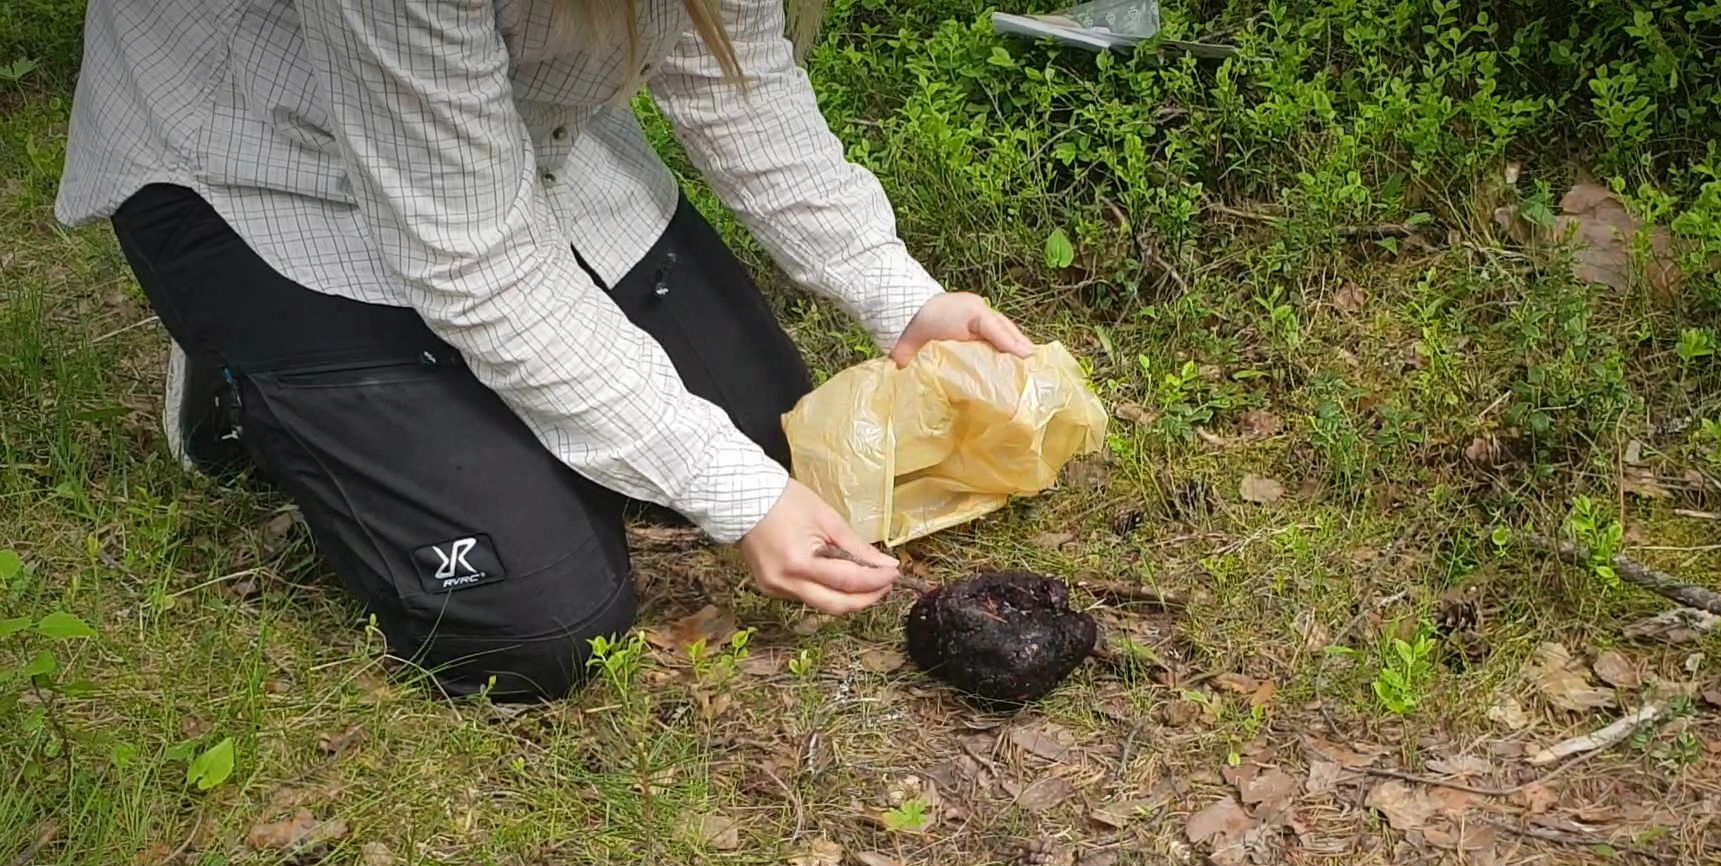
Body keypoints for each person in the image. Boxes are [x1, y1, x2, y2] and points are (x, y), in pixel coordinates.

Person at [54, 0, 1037, 702]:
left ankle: (459, 404)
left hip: (504, 143)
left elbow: (733, 76)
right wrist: (731, 492)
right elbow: (479, 265)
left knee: (774, 438)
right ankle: (244, 369)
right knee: (541, 625)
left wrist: (898, 295)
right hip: (269, 167)